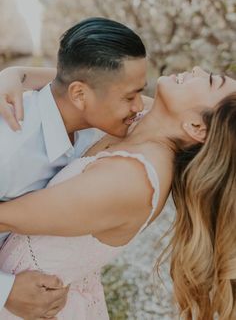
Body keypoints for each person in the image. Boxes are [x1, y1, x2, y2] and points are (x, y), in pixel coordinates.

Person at [0, 67, 235, 319]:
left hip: (28, 301)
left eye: (210, 80)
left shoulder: (130, 181)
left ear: (196, 126)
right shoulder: (145, 114)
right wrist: (13, 75)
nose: (198, 69)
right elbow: (72, 87)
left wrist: (4, 290)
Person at [0, 17, 150, 319]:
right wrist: (5, 292)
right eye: (129, 97)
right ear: (80, 95)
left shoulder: (90, 117)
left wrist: (18, 72)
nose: (138, 107)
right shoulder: (11, 147)